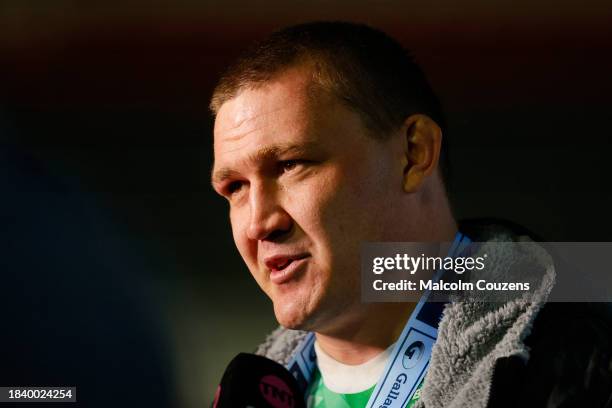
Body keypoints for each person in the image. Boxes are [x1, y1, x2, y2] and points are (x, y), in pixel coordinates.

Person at [209, 22, 611, 408]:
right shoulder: (259, 393)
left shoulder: (582, 368)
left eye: (291, 164)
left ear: (414, 154)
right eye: (235, 187)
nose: (259, 222)